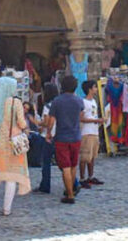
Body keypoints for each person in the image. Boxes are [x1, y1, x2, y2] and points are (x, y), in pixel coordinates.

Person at [0, 76, 31, 216]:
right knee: (11, 178)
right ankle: (7, 209)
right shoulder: (15, 102)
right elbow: (22, 123)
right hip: (13, 144)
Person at [49, 75, 83, 204]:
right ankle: (71, 189)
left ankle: (70, 195)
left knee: (65, 167)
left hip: (62, 137)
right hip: (76, 136)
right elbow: (80, 116)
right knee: (73, 165)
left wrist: (48, 133)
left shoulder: (57, 101)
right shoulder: (79, 101)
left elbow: (52, 120)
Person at [78, 80, 104, 187]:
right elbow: (81, 118)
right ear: (90, 89)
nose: (96, 89)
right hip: (86, 132)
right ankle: (82, 178)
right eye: (94, 87)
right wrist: (96, 120)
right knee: (84, 156)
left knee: (92, 156)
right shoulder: (83, 102)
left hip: (94, 131)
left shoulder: (94, 101)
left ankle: (90, 176)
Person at [37, 83, 59, 194]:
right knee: (61, 161)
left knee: (46, 162)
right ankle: (73, 182)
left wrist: (37, 123)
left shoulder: (47, 106)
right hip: (59, 135)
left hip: (48, 136)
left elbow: (46, 122)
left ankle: (45, 185)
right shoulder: (59, 104)